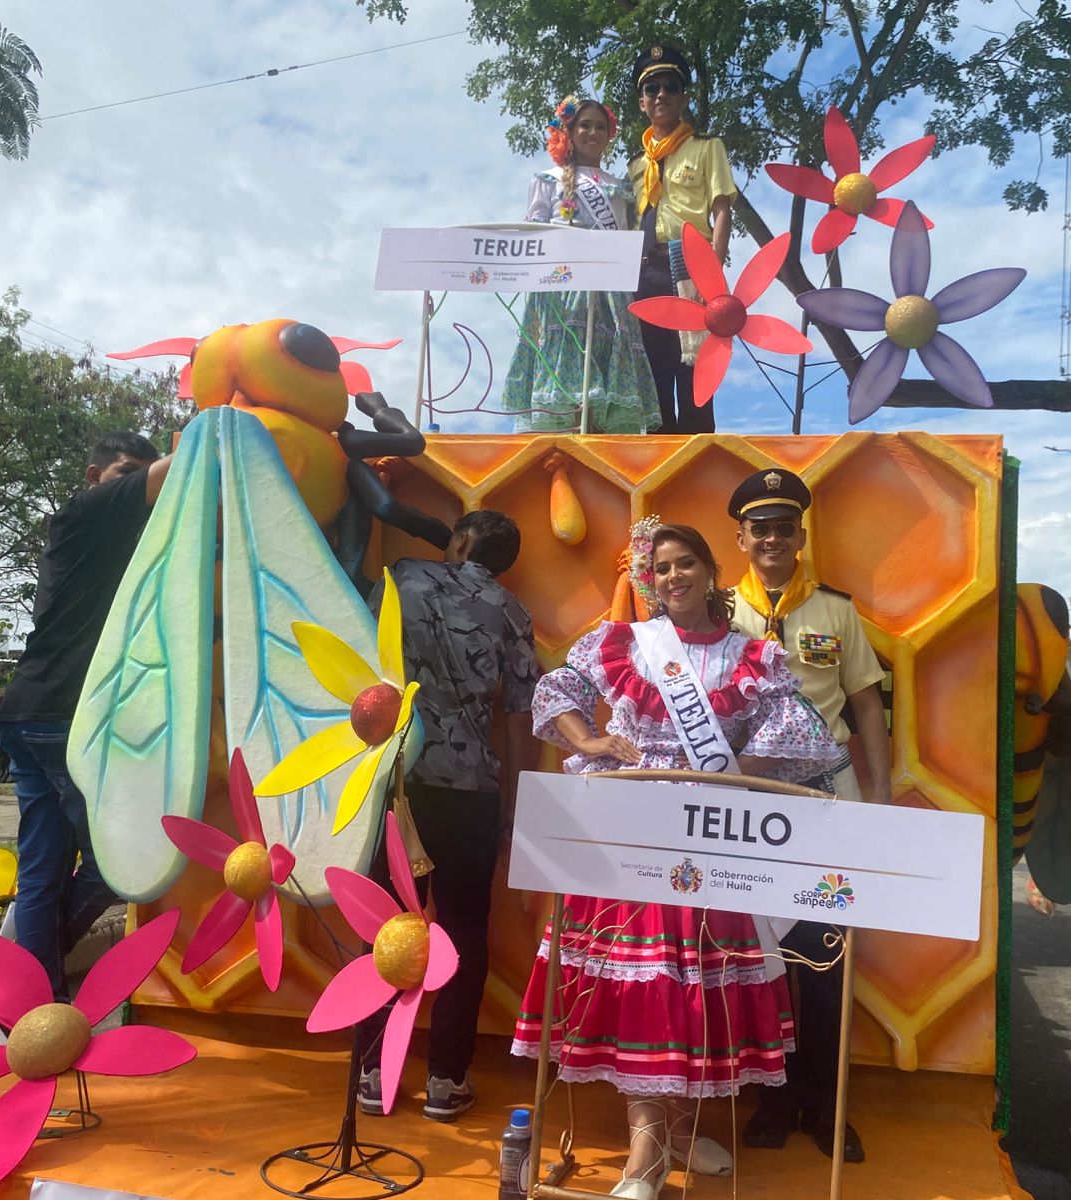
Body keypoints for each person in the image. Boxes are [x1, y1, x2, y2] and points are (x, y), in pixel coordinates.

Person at [511, 521, 839, 1199]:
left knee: (693, 988)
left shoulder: (753, 654)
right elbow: (555, 691)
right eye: (660, 569)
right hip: (626, 834)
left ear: (711, 570)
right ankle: (646, 1151)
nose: (673, 577)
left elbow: (800, 729)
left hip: (711, 840)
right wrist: (592, 743)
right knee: (650, 988)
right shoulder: (624, 643)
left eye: (685, 563)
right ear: (647, 580)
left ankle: (679, 1134)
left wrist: (732, 772)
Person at [358, 510, 541, 1122]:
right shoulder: (513, 612)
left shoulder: (402, 576)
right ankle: (445, 1079)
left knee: (386, 924)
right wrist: (513, 810)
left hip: (396, 783)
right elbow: (520, 719)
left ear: (458, 539)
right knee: (462, 929)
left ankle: (370, 1071)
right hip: (471, 792)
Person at [724, 467, 884, 1161]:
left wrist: (877, 798)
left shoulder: (836, 611)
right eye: (759, 528)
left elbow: (867, 703)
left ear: (800, 536)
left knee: (826, 958)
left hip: (825, 801)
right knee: (758, 959)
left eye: (783, 527)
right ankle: (774, 1098)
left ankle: (825, 1106)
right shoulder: (717, 611)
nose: (771, 538)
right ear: (741, 538)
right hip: (750, 808)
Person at [0, 432, 172, 999]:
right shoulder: (85, 510)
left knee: (42, 872)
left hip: (30, 712)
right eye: (125, 471)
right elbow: (188, 462)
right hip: (60, 718)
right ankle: (25, 965)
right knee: (116, 857)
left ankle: (27, 997)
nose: (134, 481)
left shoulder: (115, 541)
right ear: (96, 476)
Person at [502, 96, 661, 435]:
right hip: (560, 289)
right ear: (569, 132)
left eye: (600, 126)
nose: (593, 132)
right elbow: (534, 232)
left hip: (608, 292)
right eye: (585, 125)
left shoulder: (619, 186)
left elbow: (623, 236)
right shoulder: (548, 179)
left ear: (609, 134)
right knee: (566, 366)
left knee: (602, 368)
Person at [627, 44, 738, 434]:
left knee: (693, 371)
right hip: (644, 272)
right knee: (652, 372)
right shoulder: (636, 165)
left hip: (691, 267)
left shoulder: (707, 147)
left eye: (671, 86)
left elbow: (722, 210)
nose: (661, 95)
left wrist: (714, 277)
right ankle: (658, 469)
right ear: (642, 102)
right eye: (652, 88)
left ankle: (697, 467)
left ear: (684, 96)